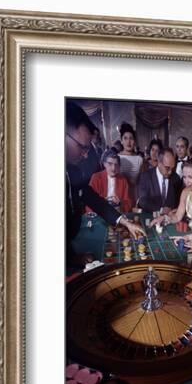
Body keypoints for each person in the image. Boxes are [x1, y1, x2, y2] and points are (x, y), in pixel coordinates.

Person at [66, 102, 144, 267]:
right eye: (82, 147)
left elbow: (94, 200)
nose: (86, 155)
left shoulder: (73, 171)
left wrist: (125, 222)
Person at [149, 159, 192, 232]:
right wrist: (163, 218)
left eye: (190, 177)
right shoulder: (185, 193)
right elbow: (177, 216)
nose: (186, 181)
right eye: (184, 177)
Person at [138, 148, 183, 214]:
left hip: (169, 219)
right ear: (159, 163)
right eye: (167, 168)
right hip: (150, 217)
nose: (170, 172)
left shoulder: (176, 178)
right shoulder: (146, 176)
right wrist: (160, 210)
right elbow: (143, 201)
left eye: (172, 168)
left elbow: (178, 201)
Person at [87, 148, 132, 213]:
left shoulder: (123, 180)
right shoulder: (96, 177)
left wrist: (120, 203)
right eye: (110, 164)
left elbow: (128, 202)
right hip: (100, 212)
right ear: (104, 164)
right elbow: (89, 200)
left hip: (117, 212)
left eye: (116, 165)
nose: (113, 168)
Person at [118, 123, 144, 203]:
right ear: (121, 141)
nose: (128, 142)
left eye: (131, 138)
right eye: (125, 138)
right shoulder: (116, 158)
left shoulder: (139, 159)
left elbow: (142, 182)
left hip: (135, 195)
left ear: (134, 141)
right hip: (120, 194)